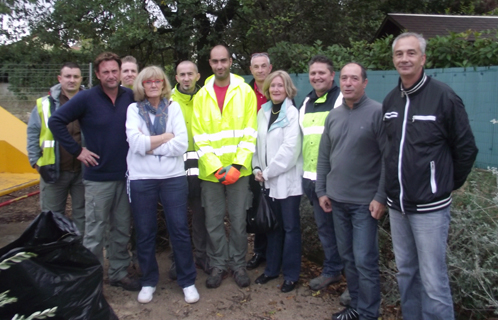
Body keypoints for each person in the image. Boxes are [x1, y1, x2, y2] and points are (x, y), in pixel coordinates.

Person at [383, 32, 478, 320]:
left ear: (423, 58)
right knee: (406, 273)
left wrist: (444, 186)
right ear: (394, 59)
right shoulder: (390, 100)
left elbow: (466, 149)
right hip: (397, 207)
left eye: (411, 53)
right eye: (399, 53)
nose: (405, 58)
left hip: (430, 209)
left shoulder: (444, 96)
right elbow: (389, 151)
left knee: (434, 280)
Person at [48, 52, 140, 291]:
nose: (111, 76)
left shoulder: (130, 96)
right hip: (98, 177)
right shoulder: (87, 98)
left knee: (121, 228)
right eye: (105, 72)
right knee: (95, 232)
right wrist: (77, 151)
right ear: (98, 74)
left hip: (126, 175)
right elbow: (55, 122)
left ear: (120, 72)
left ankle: (119, 272)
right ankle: (91, 280)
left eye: (114, 71)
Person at [316, 63, 385, 320]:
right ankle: (355, 306)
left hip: (365, 204)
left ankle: (368, 313)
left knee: (365, 259)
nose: (348, 83)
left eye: (354, 78)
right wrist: (322, 190)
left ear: (364, 83)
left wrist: (380, 196)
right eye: (344, 78)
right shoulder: (333, 116)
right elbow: (324, 158)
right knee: (348, 257)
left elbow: (387, 159)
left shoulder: (378, 113)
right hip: (336, 201)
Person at [126, 66, 199, 304]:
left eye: (157, 81)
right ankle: (148, 281)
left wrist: (150, 144)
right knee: (145, 232)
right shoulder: (133, 110)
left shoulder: (173, 106)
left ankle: (187, 281)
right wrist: (165, 137)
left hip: (173, 177)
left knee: (179, 229)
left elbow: (181, 144)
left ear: (164, 83)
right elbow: (135, 144)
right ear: (141, 85)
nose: (153, 85)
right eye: (148, 82)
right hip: (141, 178)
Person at [191, 44, 257, 289]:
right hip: (211, 173)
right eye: (215, 61)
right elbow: (199, 136)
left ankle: (238, 264)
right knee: (214, 221)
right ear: (210, 63)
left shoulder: (245, 92)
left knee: (239, 221)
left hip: (240, 171)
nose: (220, 65)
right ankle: (218, 263)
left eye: (224, 61)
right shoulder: (201, 95)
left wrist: (237, 165)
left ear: (231, 61)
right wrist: (217, 167)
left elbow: (250, 132)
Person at [252, 70, 303, 293]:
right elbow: (256, 144)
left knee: (290, 228)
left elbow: (290, 150)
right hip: (267, 180)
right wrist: (256, 167)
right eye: (272, 86)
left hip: (287, 181)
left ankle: (291, 275)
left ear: (288, 88)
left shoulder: (293, 114)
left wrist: (268, 171)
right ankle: (271, 270)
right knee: (273, 227)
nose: (275, 89)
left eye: (280, 86)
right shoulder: (263, 112)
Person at [299, 55, 343, 291]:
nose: (316, 77)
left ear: (332, 75)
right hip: (312, 180)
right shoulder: (306, 103)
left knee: (346, 232)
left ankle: (355, 283)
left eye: (321, 73)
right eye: (313, 73)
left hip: (335, 181)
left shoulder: (342, 100)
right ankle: (332, 271)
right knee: (325, 230)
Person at [27, 62, 85, 235]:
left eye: (76, 76)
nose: (72, 80)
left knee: (84, 216)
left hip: (83, 170)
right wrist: (35, 161)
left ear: (81, 79)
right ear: (60, 79)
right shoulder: (44, 104)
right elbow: (32, 133)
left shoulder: (89, 101)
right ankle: (54, 256)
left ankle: (81, 255)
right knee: (51, 218)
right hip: (53, 170)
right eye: (68, 76)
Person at [170, 60, 211, 277]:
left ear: (197, 76)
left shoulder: (207, 97)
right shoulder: (168, 100)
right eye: (182, 74)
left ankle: (202, 256)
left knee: (200, 215)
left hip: (203, 167)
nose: (186, 78)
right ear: (176, 77)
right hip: (175, 168)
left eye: (190, 74)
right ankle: (178, 260)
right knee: (176, 218)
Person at [246, 52, 273, 270]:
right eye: (256, 67)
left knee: (277, 207)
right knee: (258, 207)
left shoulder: (279, 89)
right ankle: (260, 252)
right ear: (251, 69)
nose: (261, 70)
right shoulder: (245, 92)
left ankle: (275, 253)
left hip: (275, 160)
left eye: (264, 66)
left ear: (270, 68)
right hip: (251, 159)